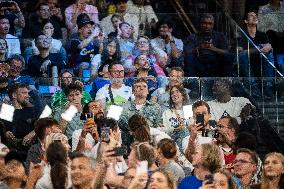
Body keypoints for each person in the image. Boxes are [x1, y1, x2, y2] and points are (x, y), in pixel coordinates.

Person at [239, 11, 275, 98]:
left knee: (269, 54)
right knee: (242, 55)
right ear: (246, 21)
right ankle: (253, 86)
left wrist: (269, 46)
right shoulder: (242, 34)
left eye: (256, 15)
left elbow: (268, 48)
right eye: (251, 15)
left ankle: (267, 86)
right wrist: (257, 49)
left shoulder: (262, 34)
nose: (255, 17)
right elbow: (240, 52)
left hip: (261, 61)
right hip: (247, 62)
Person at [1, 83, 40, 153]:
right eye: (24, 93)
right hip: (12, 151)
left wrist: (33, 133)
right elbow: (3, 129)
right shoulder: (6, 110)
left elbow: (41, 125)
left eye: (27, 93)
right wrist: (5, 133)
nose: (28, 96)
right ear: (14, 95)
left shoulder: (32, 110)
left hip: (31, 150)